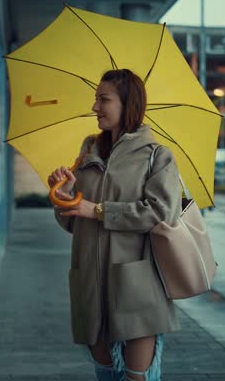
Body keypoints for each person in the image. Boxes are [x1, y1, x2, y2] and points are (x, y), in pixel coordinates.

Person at [47, 68, 182, 381]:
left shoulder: (157, 157)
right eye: (95, 99)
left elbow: (161, 213)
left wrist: (97, 210)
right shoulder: (87, 154)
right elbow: (71, 225)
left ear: (127, 104)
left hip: (137, 284)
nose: (95, 107)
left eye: (103, 99)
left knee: (137, 378)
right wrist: (63, 199)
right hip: (91, 284)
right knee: (106, 375)